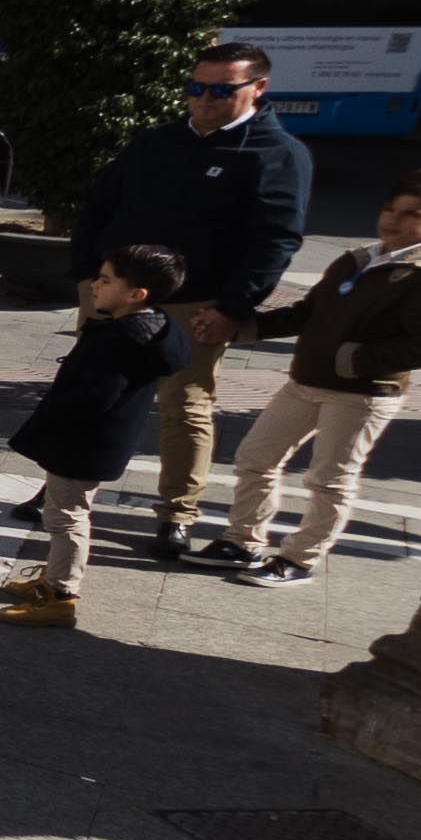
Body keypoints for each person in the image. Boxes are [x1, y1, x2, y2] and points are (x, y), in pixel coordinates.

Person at [67, 42, 313, 562]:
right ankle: (63, 485)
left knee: (184, 406)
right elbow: (98, 203)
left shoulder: (277, 154)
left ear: (258, 89)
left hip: (196, 305)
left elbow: (277, 240)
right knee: (89, 390)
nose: (203, 99)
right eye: (195, 87)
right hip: (112, 292)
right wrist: (88, 274)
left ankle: (176, 514)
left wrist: (233, 307)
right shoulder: (157, 141)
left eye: (221, 89)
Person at [200, 173, 421, 587]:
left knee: (329, 480)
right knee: (255, 457)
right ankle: (242, 541)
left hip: (361, 393)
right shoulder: (358, 259)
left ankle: (300, 559)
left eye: (411, 215)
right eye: (389, 210)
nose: (393, 221)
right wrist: (241, 329)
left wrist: (355, 359)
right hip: (305, 381)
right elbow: (307, 312)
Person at [0, 246, 194, 630]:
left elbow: (91, 397)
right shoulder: (155, 328)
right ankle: (53, 579)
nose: (94, 285)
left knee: (65, 516)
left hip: (82, 443)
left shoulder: (119, 340)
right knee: (64, 510)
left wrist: (53, 423)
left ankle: (60, 595)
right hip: (97, 442)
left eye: (106, 280)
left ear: (137, 294)